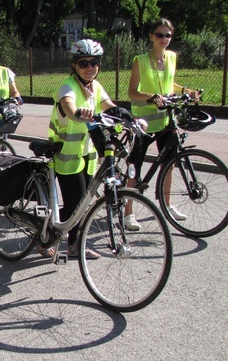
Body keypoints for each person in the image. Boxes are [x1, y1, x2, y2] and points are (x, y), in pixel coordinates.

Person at [46, 38, 118, 260]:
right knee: (74, 205)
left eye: (94, 63)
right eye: (83, 63)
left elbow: (109, 106)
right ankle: (46, 238)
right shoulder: (67, 87)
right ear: (74, 66)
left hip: (88, 155)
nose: (90, 68)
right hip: (66, 155)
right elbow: (68, 106)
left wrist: (126, 116)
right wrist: (78, 113)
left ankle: (74, 245)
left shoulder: (95, 87)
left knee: (84, 204)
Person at [125, 18, 199, 230]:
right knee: (135, 166)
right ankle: (128, 212)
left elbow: (169, 83)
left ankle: (167, 205)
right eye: (159, 35)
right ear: (151, 37)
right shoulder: (140, 60)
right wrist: (151, 97)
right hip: (143, 122)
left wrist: (186, 91)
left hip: (166, 119)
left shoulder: (172, 57)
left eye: (168, 35)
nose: (164, 39)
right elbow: (132, 92)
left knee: (170, 163)